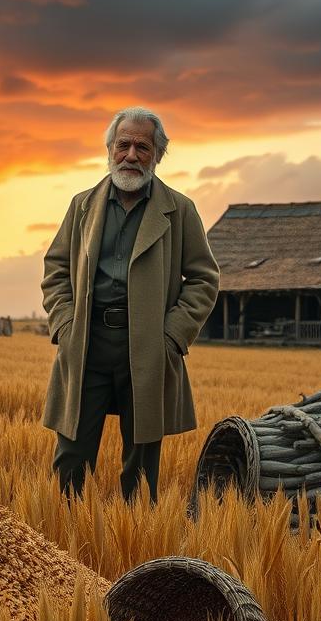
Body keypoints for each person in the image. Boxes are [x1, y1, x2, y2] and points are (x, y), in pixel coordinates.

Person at [41, 107, 219, 503]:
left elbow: (205, 279)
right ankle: (61, 545)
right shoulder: (83, 205)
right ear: (109, 149)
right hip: (87, 342)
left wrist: (172, 336)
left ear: (158, 154)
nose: (132, 155)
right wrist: (66, 325)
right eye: (124, 145)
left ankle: (137, 547)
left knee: (140, 466)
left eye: (143, 146)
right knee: (71, 456)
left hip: (147, 347)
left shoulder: (179, 210)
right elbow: (55, 267)